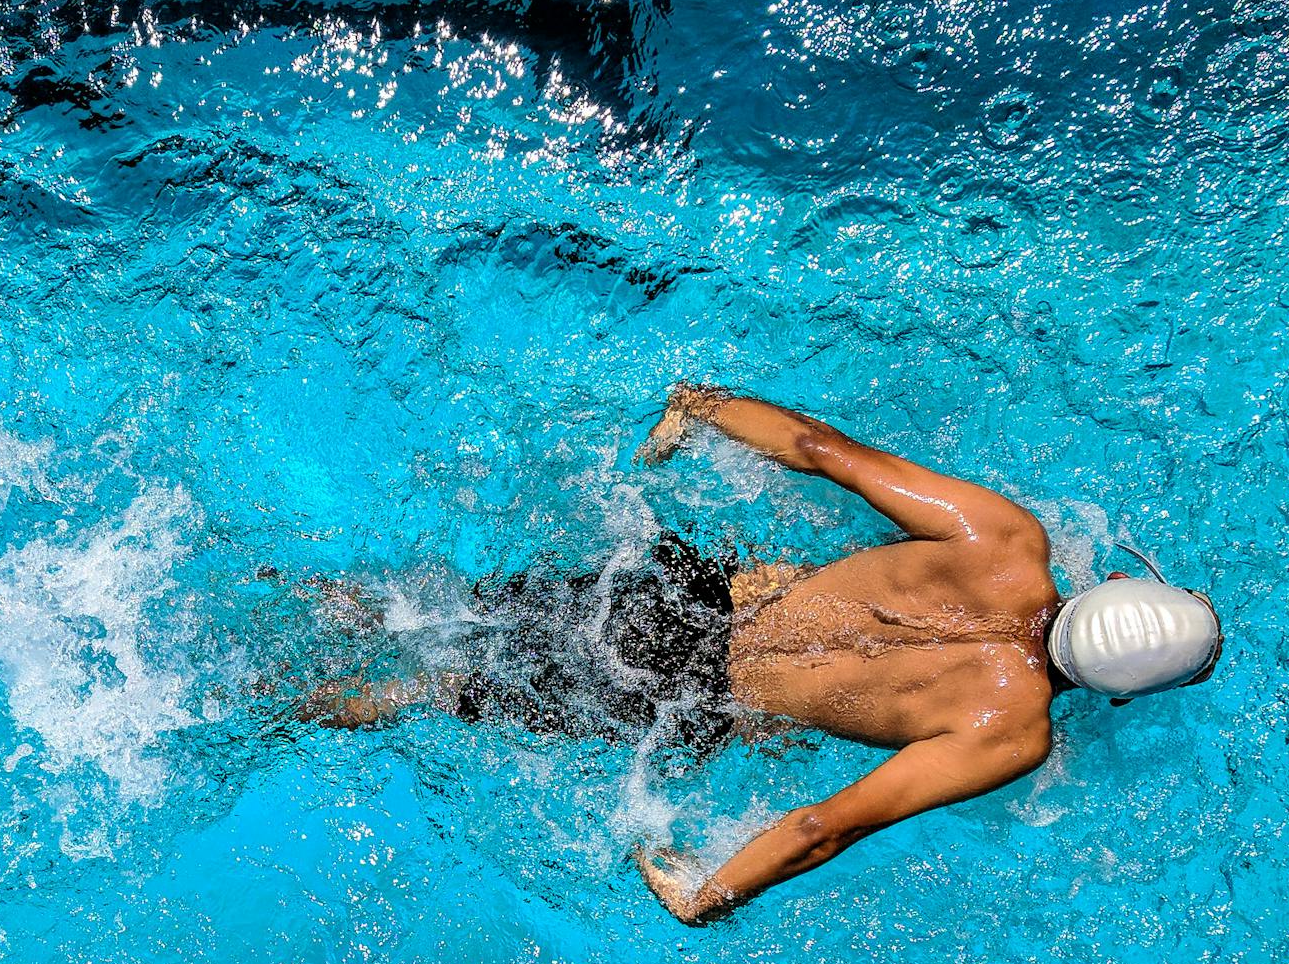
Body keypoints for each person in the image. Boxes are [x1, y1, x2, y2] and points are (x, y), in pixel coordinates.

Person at [300, 385, 1222, 923]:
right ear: (1121, 694)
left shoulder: (1004, 539)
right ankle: (275, 708)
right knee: (440, 691)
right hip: (684, 697)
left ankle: (296, 592)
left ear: (1112, 584)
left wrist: (703, 408)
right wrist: (709, 894)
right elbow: (829, 824)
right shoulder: (1011, 732)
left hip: (677, 594)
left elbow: (823, 450)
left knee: (434, 611)